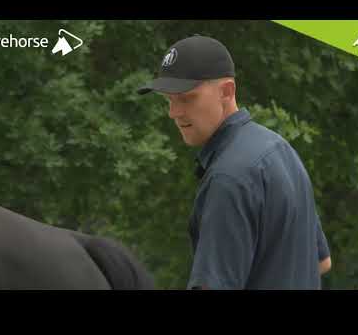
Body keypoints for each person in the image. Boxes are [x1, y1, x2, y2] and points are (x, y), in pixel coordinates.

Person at [138, 35, 331, 289]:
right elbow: (321, 262)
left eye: (186, 98)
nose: (174, 113)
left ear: (226, 91)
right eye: (169, 100)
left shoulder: (229, 176)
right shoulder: (280, 150)